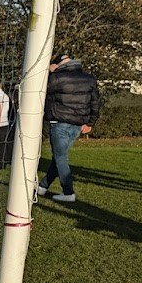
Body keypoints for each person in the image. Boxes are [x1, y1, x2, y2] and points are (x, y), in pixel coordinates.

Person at [37, 53, 100, 203]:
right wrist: (90, 122)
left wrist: (48, 72)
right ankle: (43, 186)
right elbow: (96, 102)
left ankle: (68, 192)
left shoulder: (56, 78)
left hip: (59, 123)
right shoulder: (89, 79)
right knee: (59, 158)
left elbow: (40, 87)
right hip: (78, 125)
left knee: (60, 158)